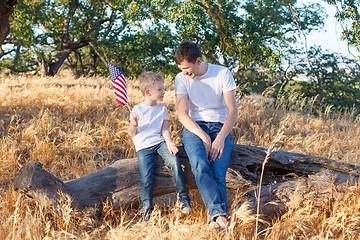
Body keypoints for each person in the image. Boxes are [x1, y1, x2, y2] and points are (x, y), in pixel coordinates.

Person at [174, 41, 238, 230]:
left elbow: (232, 110)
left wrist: (219, 138)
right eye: (181, 69)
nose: (184, 73)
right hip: (194, 128)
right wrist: (204, 137)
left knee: (218, 172)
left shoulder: (222, 73)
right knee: (201, 166)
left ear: (199, 61)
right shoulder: (181, 78)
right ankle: (220, 217)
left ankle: (216, 219)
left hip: (220, 127)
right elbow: (182, 115)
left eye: (186, 68)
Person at [128, 71, 192, 221]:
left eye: (164, 88)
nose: (164, 92)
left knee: (175, 161)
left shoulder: (161, 109)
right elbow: (131, 133)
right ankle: (146, 210)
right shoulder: (137, 109)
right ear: (148, 92)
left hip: (159, 143)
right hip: (143, 147)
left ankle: (183, 196)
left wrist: (169, 143)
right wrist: (133, 125)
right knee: (146, 179)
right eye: (160, 89)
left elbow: (164, 129)